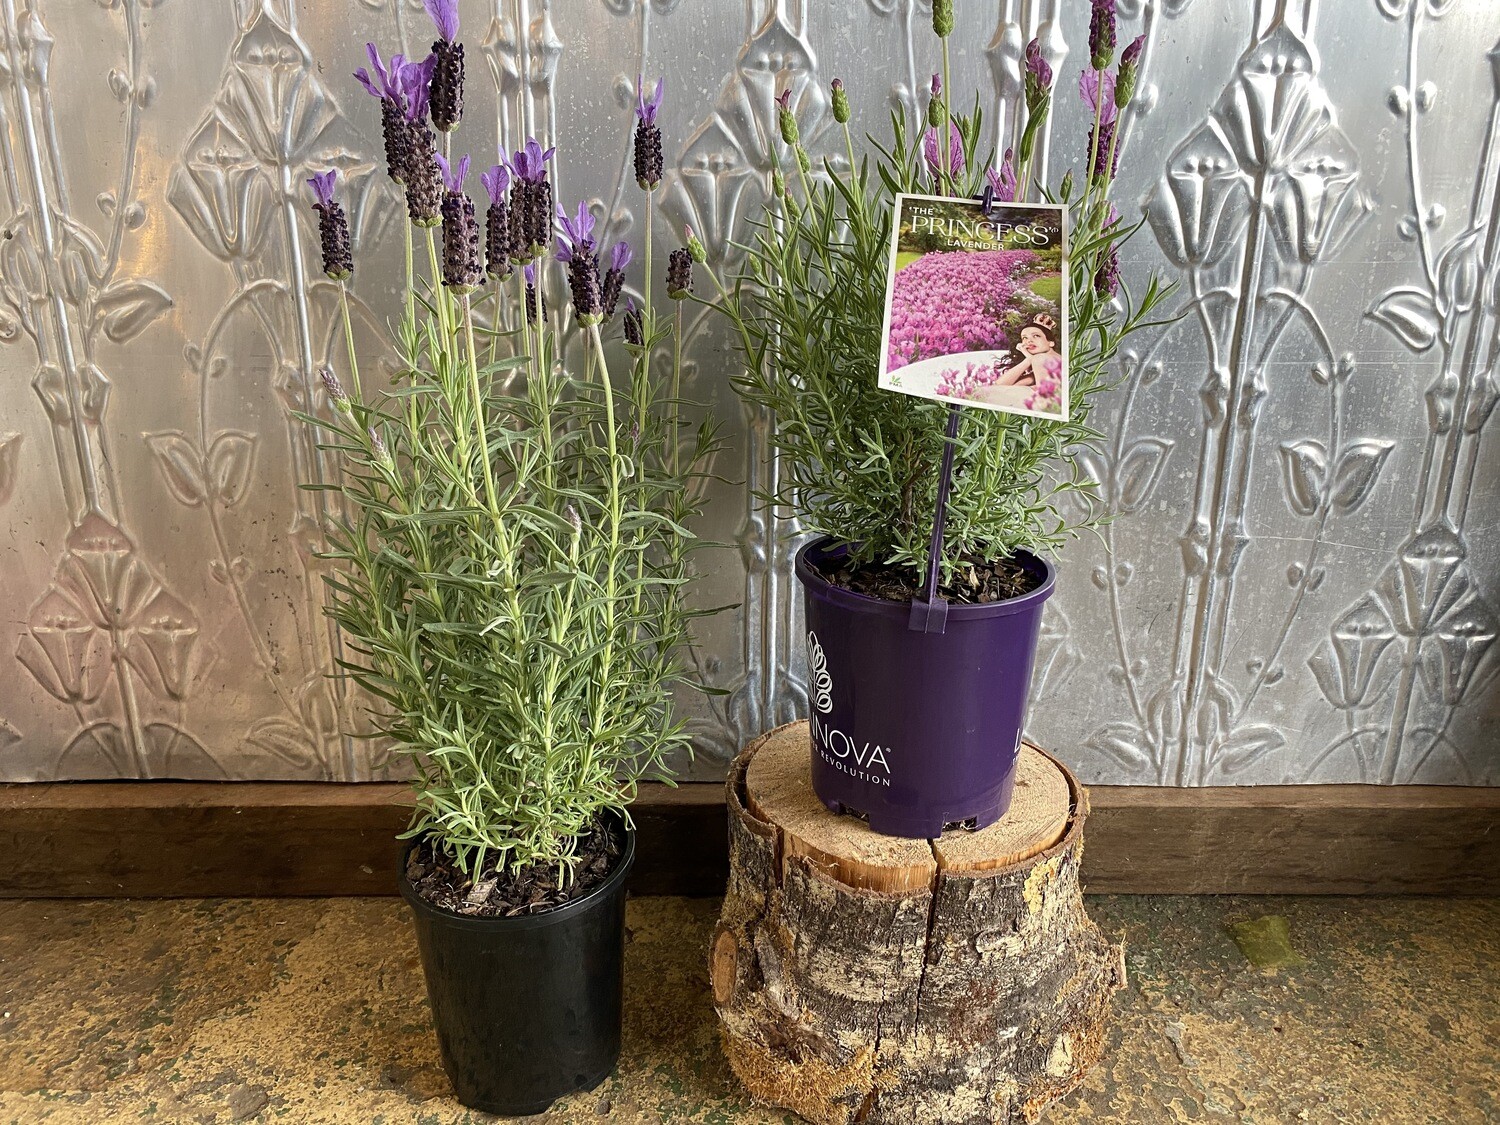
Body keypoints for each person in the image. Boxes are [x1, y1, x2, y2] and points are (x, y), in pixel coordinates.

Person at [992, 315, 1060, 388]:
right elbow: (999, 385)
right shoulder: (1040, 361)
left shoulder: (1044, 359)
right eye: (1024, 338)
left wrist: (1031, 358)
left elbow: (1046, 395)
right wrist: (1029, 359)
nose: (1029, 341)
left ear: (1051, 343)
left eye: (1036, 336)